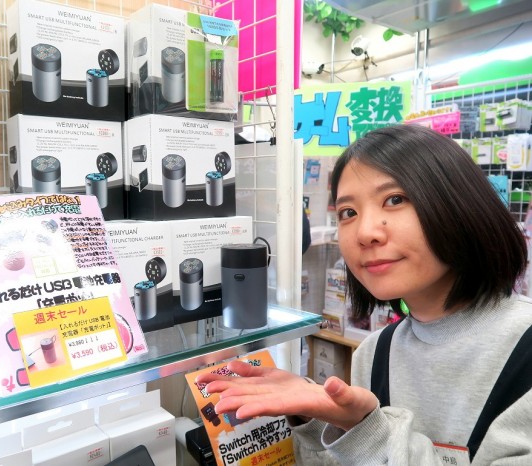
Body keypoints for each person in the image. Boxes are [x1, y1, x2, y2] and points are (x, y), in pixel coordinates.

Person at [196, 124, 532, 464]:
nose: (366, 232)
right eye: (349, 213)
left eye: (395, 200)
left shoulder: (523, 347)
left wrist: (365, 428)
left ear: (461, 205)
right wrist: (318, 418)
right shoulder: (375, 352)